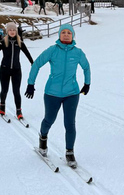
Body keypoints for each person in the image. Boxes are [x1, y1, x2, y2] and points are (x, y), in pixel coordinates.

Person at [26, 24, 91, 167]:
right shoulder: (52, 51)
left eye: (69, 32)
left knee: (70, 123)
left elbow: (86, 67)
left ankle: (69, 152)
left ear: (73, 35)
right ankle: (43, 139)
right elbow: (36, 64)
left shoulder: (78, 52)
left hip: (72, 94)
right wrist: (31, 83)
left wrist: (87, 83)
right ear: (59, 35)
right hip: (52, 93)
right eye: (63, 32)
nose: (66, 35)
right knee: (49, 119)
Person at [0, 22, 33, 120]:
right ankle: (2, 106)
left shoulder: (19, 42)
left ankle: (19, 111)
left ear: (16, 31)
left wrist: (32, 63)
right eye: (10, 30)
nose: (12, 32)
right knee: (4, 90)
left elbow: (27, 54)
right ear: (7, 31)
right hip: (4, 70)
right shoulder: (2, 42)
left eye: (14, 30)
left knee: (16, 91)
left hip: (16, 70)